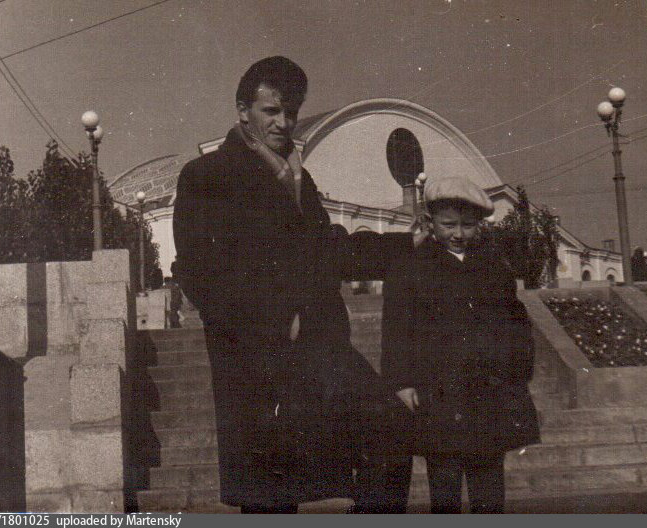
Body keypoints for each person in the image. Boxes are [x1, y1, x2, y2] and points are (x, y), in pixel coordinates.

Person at [173, 56, 415, 513]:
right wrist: (273, 321)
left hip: (322, 350)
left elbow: (333, 251)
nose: (283, 123)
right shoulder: (207, 175)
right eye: (271, 111)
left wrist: (409, 245)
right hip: (257, 363)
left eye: (291, 112)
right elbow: (200, 272)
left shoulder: (300, 180)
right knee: (272, 496)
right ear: (243, 110)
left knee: (391, 428)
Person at [381, 176, 540, 514]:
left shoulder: (493, 267)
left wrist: (517, 371)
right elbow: (396, 329)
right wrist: (402, 381)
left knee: (489, 481)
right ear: (430, 222)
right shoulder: (411, 267)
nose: (458, 233)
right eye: (448, 224)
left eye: (468, 225)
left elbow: (516, 323)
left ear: (479, 224)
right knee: (445, 478)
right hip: (438, 390)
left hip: (487, 391)